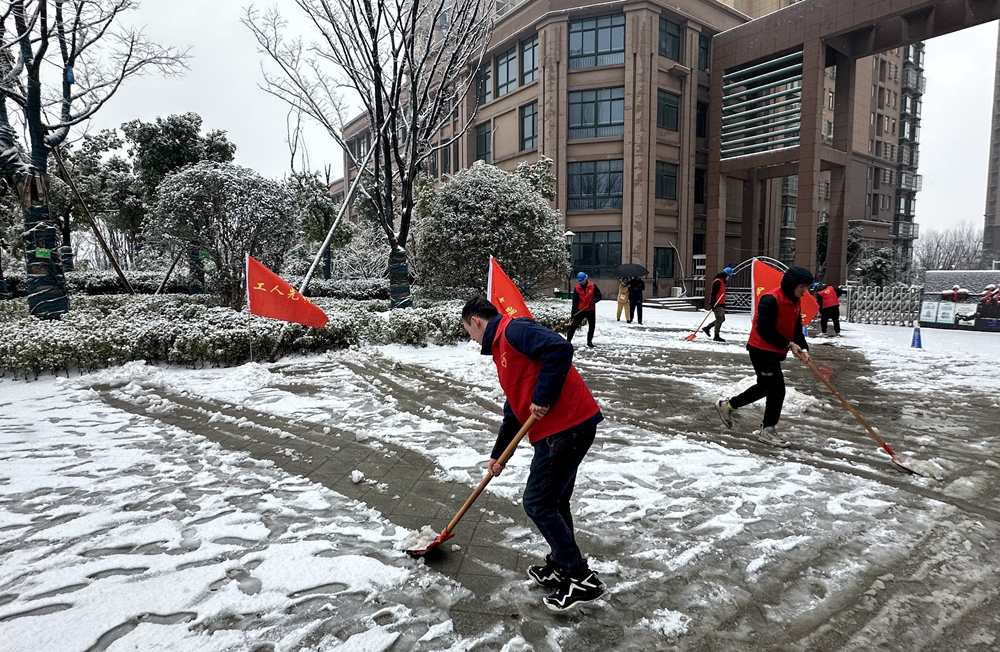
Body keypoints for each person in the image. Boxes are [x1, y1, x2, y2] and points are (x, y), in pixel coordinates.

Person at [461, 298, 606, 612]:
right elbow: (514, 410)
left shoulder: (515, 330)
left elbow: (560, 349)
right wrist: (499, 455)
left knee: (538, 502)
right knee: (554, 501)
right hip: (561, 429)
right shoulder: (501, 349)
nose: (472, 340)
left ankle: (581, 578)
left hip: (567, 426)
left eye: (468, 332)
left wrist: (543, 397)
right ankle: (562, 563)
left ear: (475, 321)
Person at [714, 267, 814, 447]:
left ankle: (727, 406)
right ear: (791, 284)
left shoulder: (796, 301)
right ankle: (768, 430)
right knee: (777, 390)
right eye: (801, 286)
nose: (803, 290)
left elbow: (796, 328)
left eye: (806, 287)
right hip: (761, 349)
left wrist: (803, 348)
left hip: (775, 349)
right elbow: (764, 329)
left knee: (765, 387)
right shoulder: (770, 299)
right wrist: (788, 344)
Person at [567, 272, 602, 347]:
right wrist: (573, 312)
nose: (581, 283)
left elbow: (599, 296)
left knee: (592, 326)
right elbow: (575, 301)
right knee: (574, 326)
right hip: (581, 310)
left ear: (585, 279)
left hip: (590, 309)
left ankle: (589, 341)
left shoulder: (592, 286)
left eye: (582, 281)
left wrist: (593, 301)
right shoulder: (577, 288)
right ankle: (568, 340)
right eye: (580, 282)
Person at [702, 267, 733, 342]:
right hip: (716, 303)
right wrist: (713, 303)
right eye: (729, 276)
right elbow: (713, 293)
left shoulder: (721, 281)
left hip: (720, 303)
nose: (729, 278)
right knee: (719, 318)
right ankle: (716, 335)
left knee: (722, 318)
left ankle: (707, 328)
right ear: (726, 275)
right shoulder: (718, 281)